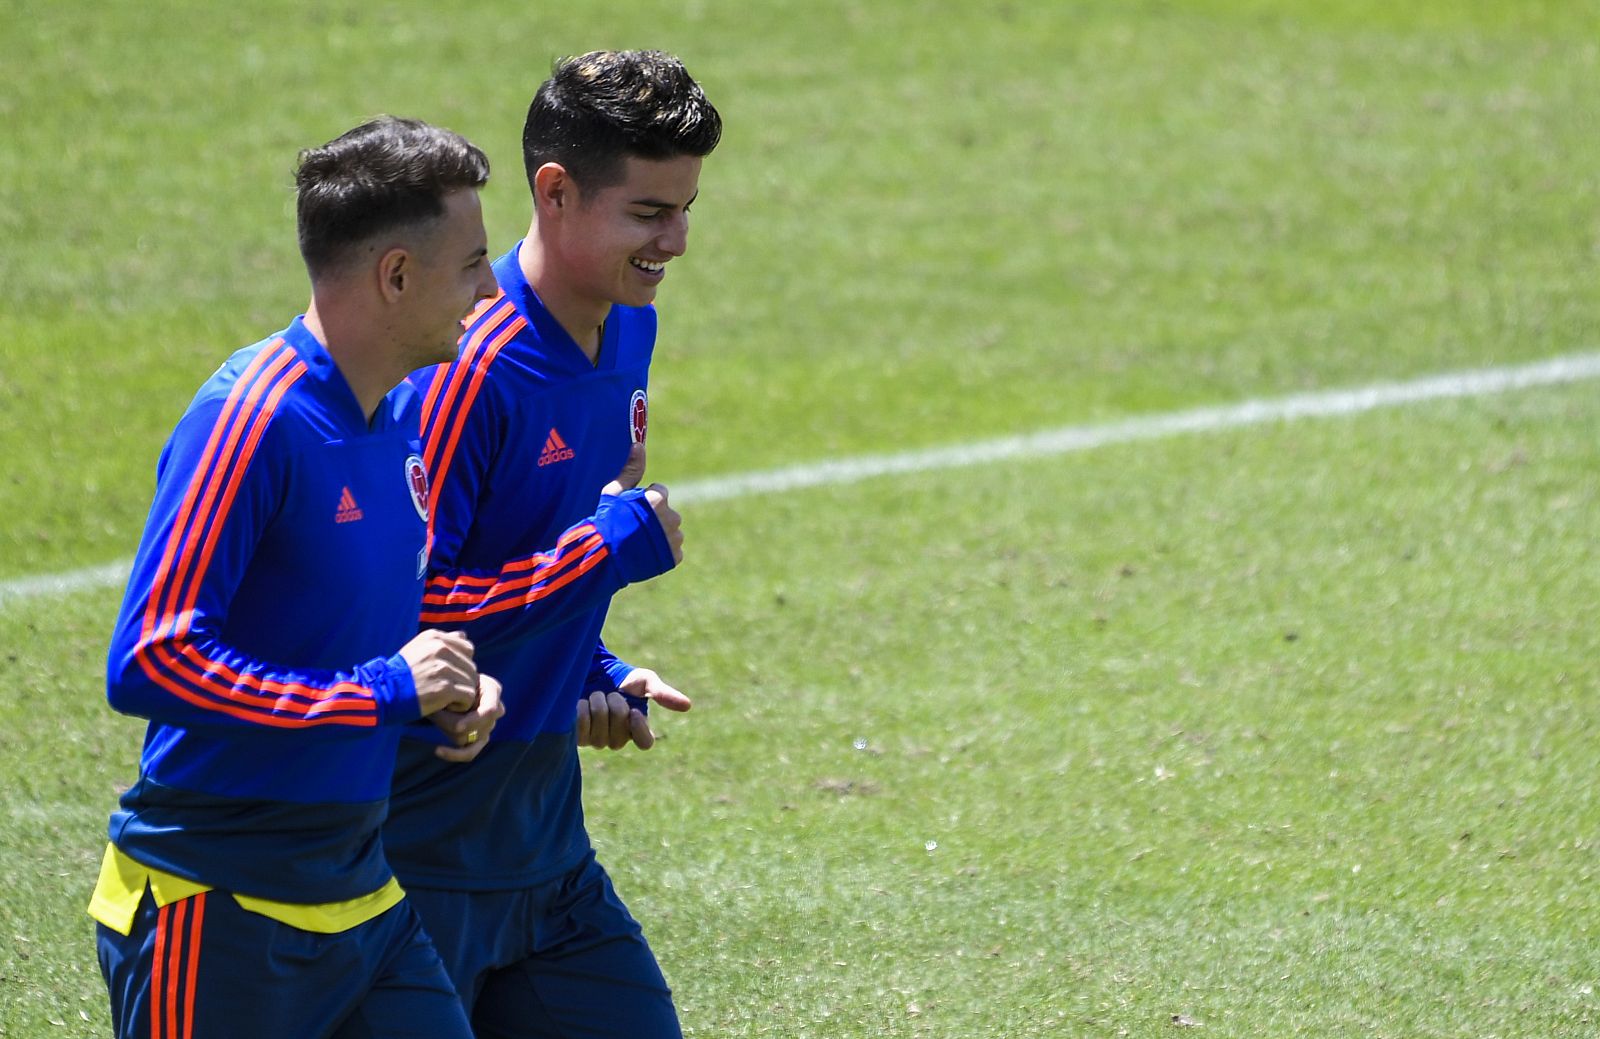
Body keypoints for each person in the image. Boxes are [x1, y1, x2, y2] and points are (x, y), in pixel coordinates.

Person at [87, 116, 513, 1039]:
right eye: (474, 262)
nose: (491, 286)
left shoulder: (401, 413)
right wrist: (381, 691)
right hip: (219, 906)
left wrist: (444, 689)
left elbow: (355, 628)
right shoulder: (251, 420)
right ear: (395, 275)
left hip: (361, 896)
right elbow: (151, 660)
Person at [381, 49, 722, 1038]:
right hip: (419, 852)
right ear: (556, 192)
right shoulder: (466, 367)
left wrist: (591, 669)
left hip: (544, 848)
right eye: (651, 213)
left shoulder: (626, 328)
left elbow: (531, 552)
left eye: (688, 206)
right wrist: (604, 555)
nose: (680, 240)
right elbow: (407, 615)